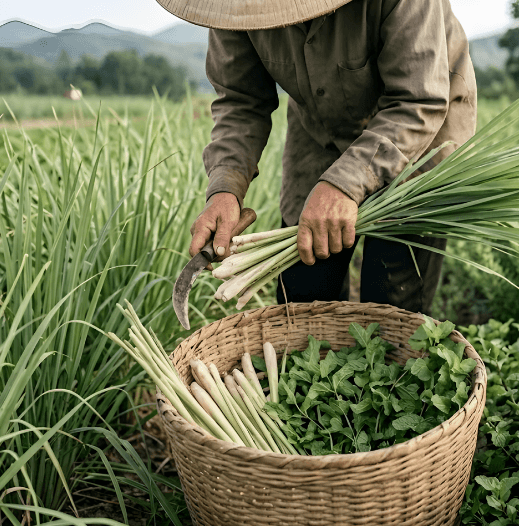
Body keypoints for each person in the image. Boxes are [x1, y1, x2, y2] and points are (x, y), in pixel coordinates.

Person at [157, 0, 477, 314]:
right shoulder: (232, 5)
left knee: (392, 295)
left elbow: (417, 101)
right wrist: (225, 187)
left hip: (420, 131)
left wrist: (344, 184)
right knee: (303, 290)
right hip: (321, 124)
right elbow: (241, 102)